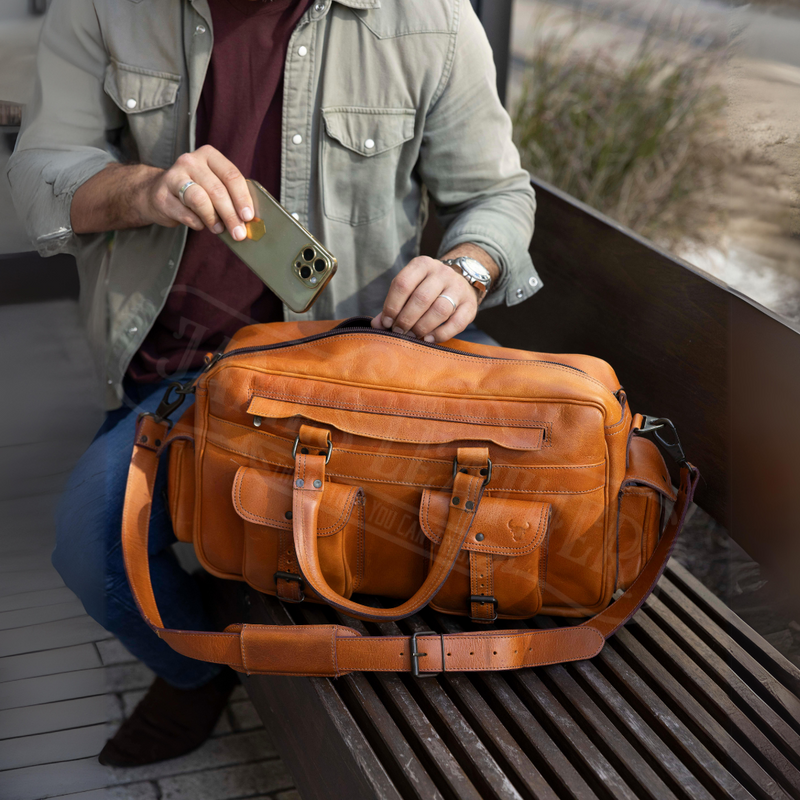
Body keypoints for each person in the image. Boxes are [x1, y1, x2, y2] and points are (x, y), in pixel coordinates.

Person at [6, 0, 539, 767]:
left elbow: (497, 196)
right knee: (90, 549)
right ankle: (195, 674)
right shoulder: (101, 7)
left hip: (357, 366)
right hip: (187, 376)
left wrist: (467, 269)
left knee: (493, 514)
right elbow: (41, 173)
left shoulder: (432, 17)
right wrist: (148, 189)